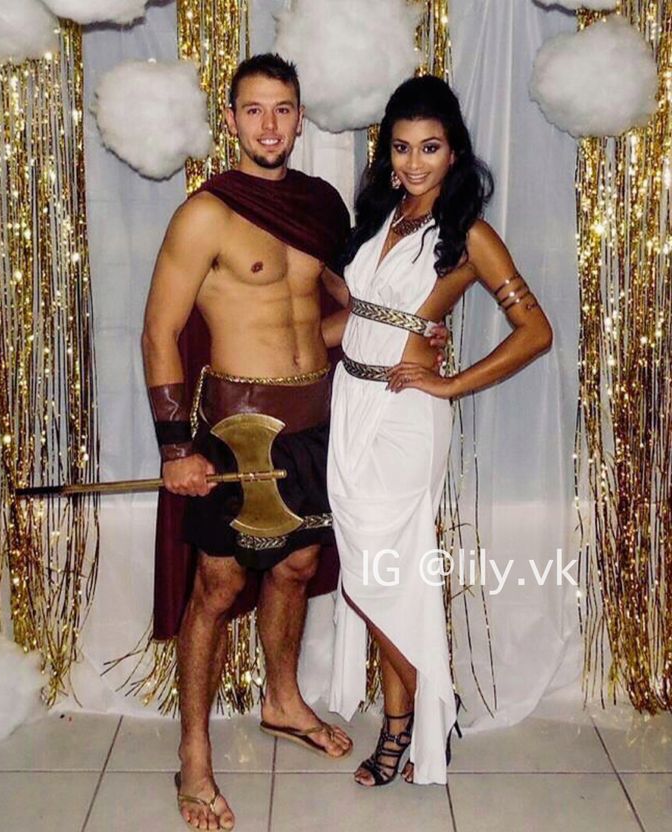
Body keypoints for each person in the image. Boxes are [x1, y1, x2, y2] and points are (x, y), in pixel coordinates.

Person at [141, 55, 448, 830]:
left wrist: (414, 333)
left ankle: (282, 701)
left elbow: (345, 314)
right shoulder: (205, 213)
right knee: (216, 588)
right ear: (233, 118)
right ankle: (195, 759)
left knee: (301, 564)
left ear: (301, 117)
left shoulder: (318, 207)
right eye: (254, 110)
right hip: (236, 429)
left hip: (319, 423)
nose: (269, 125)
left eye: (283, 110)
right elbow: (160, 330)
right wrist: (177, 446)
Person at [325, 75, 553, 788]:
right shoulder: (378, 216)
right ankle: (416, 717)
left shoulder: (468, 235)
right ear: (385, 152)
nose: (413, 163)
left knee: (379, 578)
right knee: (372, 580)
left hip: (404, 420)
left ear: (454, 153)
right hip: (350, 404)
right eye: (400, 148)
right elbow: (353, 312)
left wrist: (450, 382)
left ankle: (417, 717)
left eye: (429, 148)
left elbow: (535, 331)